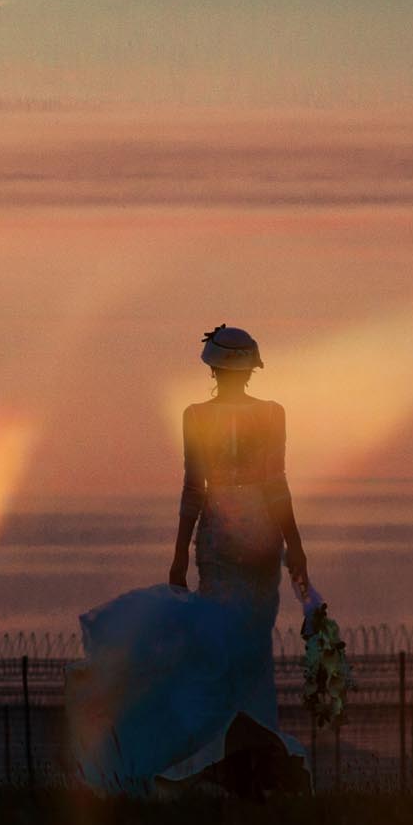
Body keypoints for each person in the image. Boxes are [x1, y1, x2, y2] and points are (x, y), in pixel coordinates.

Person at [66, 324, 329, 796]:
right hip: (260, 539)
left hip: (218, 539)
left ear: (213, 368)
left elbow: (194, 490)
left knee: (217, 647)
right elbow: (276, 485)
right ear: (250, 369)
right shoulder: (272, 414)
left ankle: (220, 757)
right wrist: (295, 546)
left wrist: (178, 557)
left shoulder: (196, 416)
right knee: (251, 652)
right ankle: (246, 759)